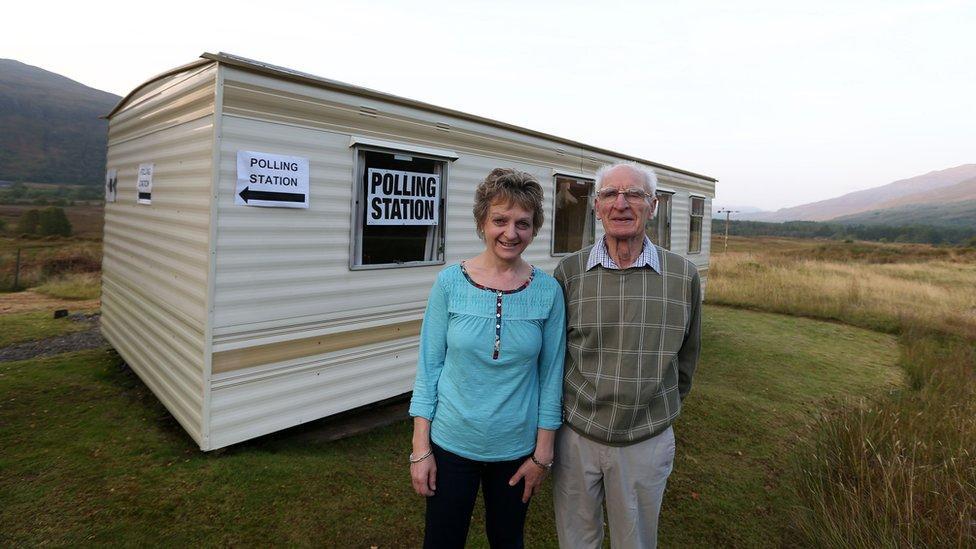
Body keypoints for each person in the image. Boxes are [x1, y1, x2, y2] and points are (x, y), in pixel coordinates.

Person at [408, 168, 566, 548]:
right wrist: (420, 449)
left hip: (516, 451)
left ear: (534, 228)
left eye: (523, 223)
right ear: (482, 222)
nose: (511, 233)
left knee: (507, 541)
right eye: (500, 220)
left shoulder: (548, 292)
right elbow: (429, 369)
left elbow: (551, 378)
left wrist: (542, 454)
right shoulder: (449, 283)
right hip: (450, 445)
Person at [552, 162, 702, 548]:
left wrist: (657, 407)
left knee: (634, 541)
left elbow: (687, 359)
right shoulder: (568, 274)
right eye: (610, 194)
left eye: (634, 194)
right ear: (596, 206)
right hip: (576, 436)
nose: (621, 203)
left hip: (645, 440)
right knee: (576, 540)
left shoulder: (683, 276)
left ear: (653, 206)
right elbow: (554, 358)